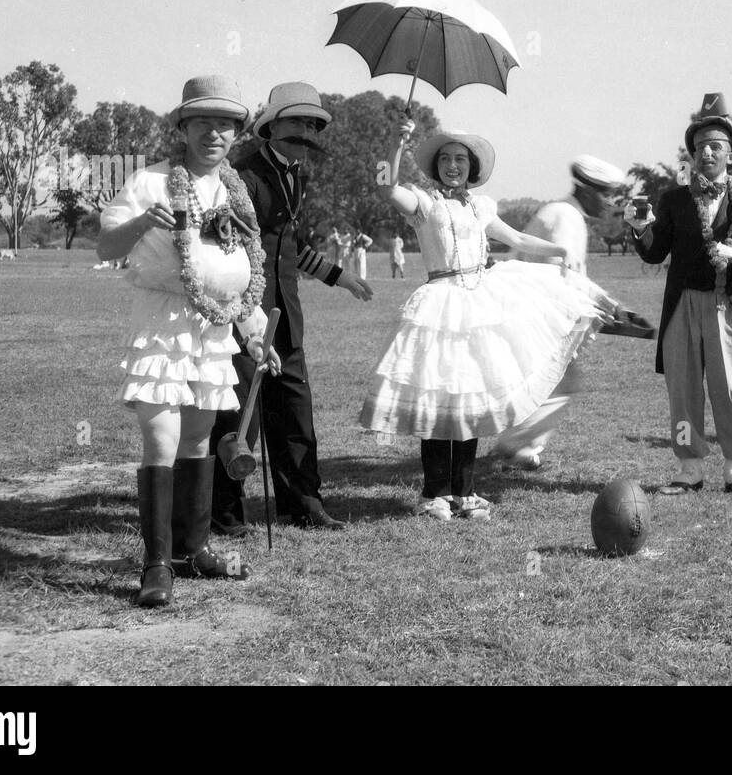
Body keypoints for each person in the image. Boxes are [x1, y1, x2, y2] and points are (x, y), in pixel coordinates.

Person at [360, 116, 608, 521]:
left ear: (471, 167)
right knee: (439, 400)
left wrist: (560, 252)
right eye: (445, 158)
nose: (453, 165)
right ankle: (434, 493)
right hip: (439, 306)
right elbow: (386, 186)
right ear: (435, 165)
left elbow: (519, 240)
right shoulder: (424, 203)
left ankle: (465, 491)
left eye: (460, 159)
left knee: (470, 399)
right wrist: (396, 143)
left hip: (479, 304)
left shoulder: (481, 206)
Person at [97, 75, 281, 608]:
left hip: (217, 329)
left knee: (198, 441)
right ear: (183, 127)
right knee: (160, 439)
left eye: (226, 124)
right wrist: (140, 224)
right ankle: (156, 566)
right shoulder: (150, 182)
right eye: (203, 122)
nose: (215, 133)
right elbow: (106, 243)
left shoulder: (236, 192)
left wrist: (252, 335)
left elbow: (241, 275)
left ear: (236, 133)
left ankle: (193, 550)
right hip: (163, 323)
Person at [209, 82, 373, 534]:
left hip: (287, 313)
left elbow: (292, 247)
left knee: (295, 412)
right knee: (239, 413)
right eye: (298, 121)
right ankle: (224, 513)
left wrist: (339, 277)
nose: (306, 131)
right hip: (244, 317)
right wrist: (245, 320)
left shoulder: (297, 175)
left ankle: (304, 504)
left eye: (313, 124)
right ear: (271, 125)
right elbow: (231, 249)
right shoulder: (241, 175)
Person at [626, 93, 732, 498]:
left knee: (730, 387)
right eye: (700, 145)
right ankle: (689, 470)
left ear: (731, 156)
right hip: (683, 303)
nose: (706, 151)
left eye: (715, 146)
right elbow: (655, 251)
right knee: (684, 387)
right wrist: (640, 229)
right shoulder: (674, 199)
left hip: (726, 305)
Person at [494, 155, 655, 469]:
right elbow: (559, 277)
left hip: (537, 315)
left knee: (553, 386)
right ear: (587, 191)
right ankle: (512, 445)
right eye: (605, 195)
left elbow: (572, 277)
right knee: (559, 385)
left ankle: (522, 448)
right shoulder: (565, 217)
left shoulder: (567, 214)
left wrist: (611, 306)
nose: (609, 203)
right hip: (536, 316)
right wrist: (603, 309)